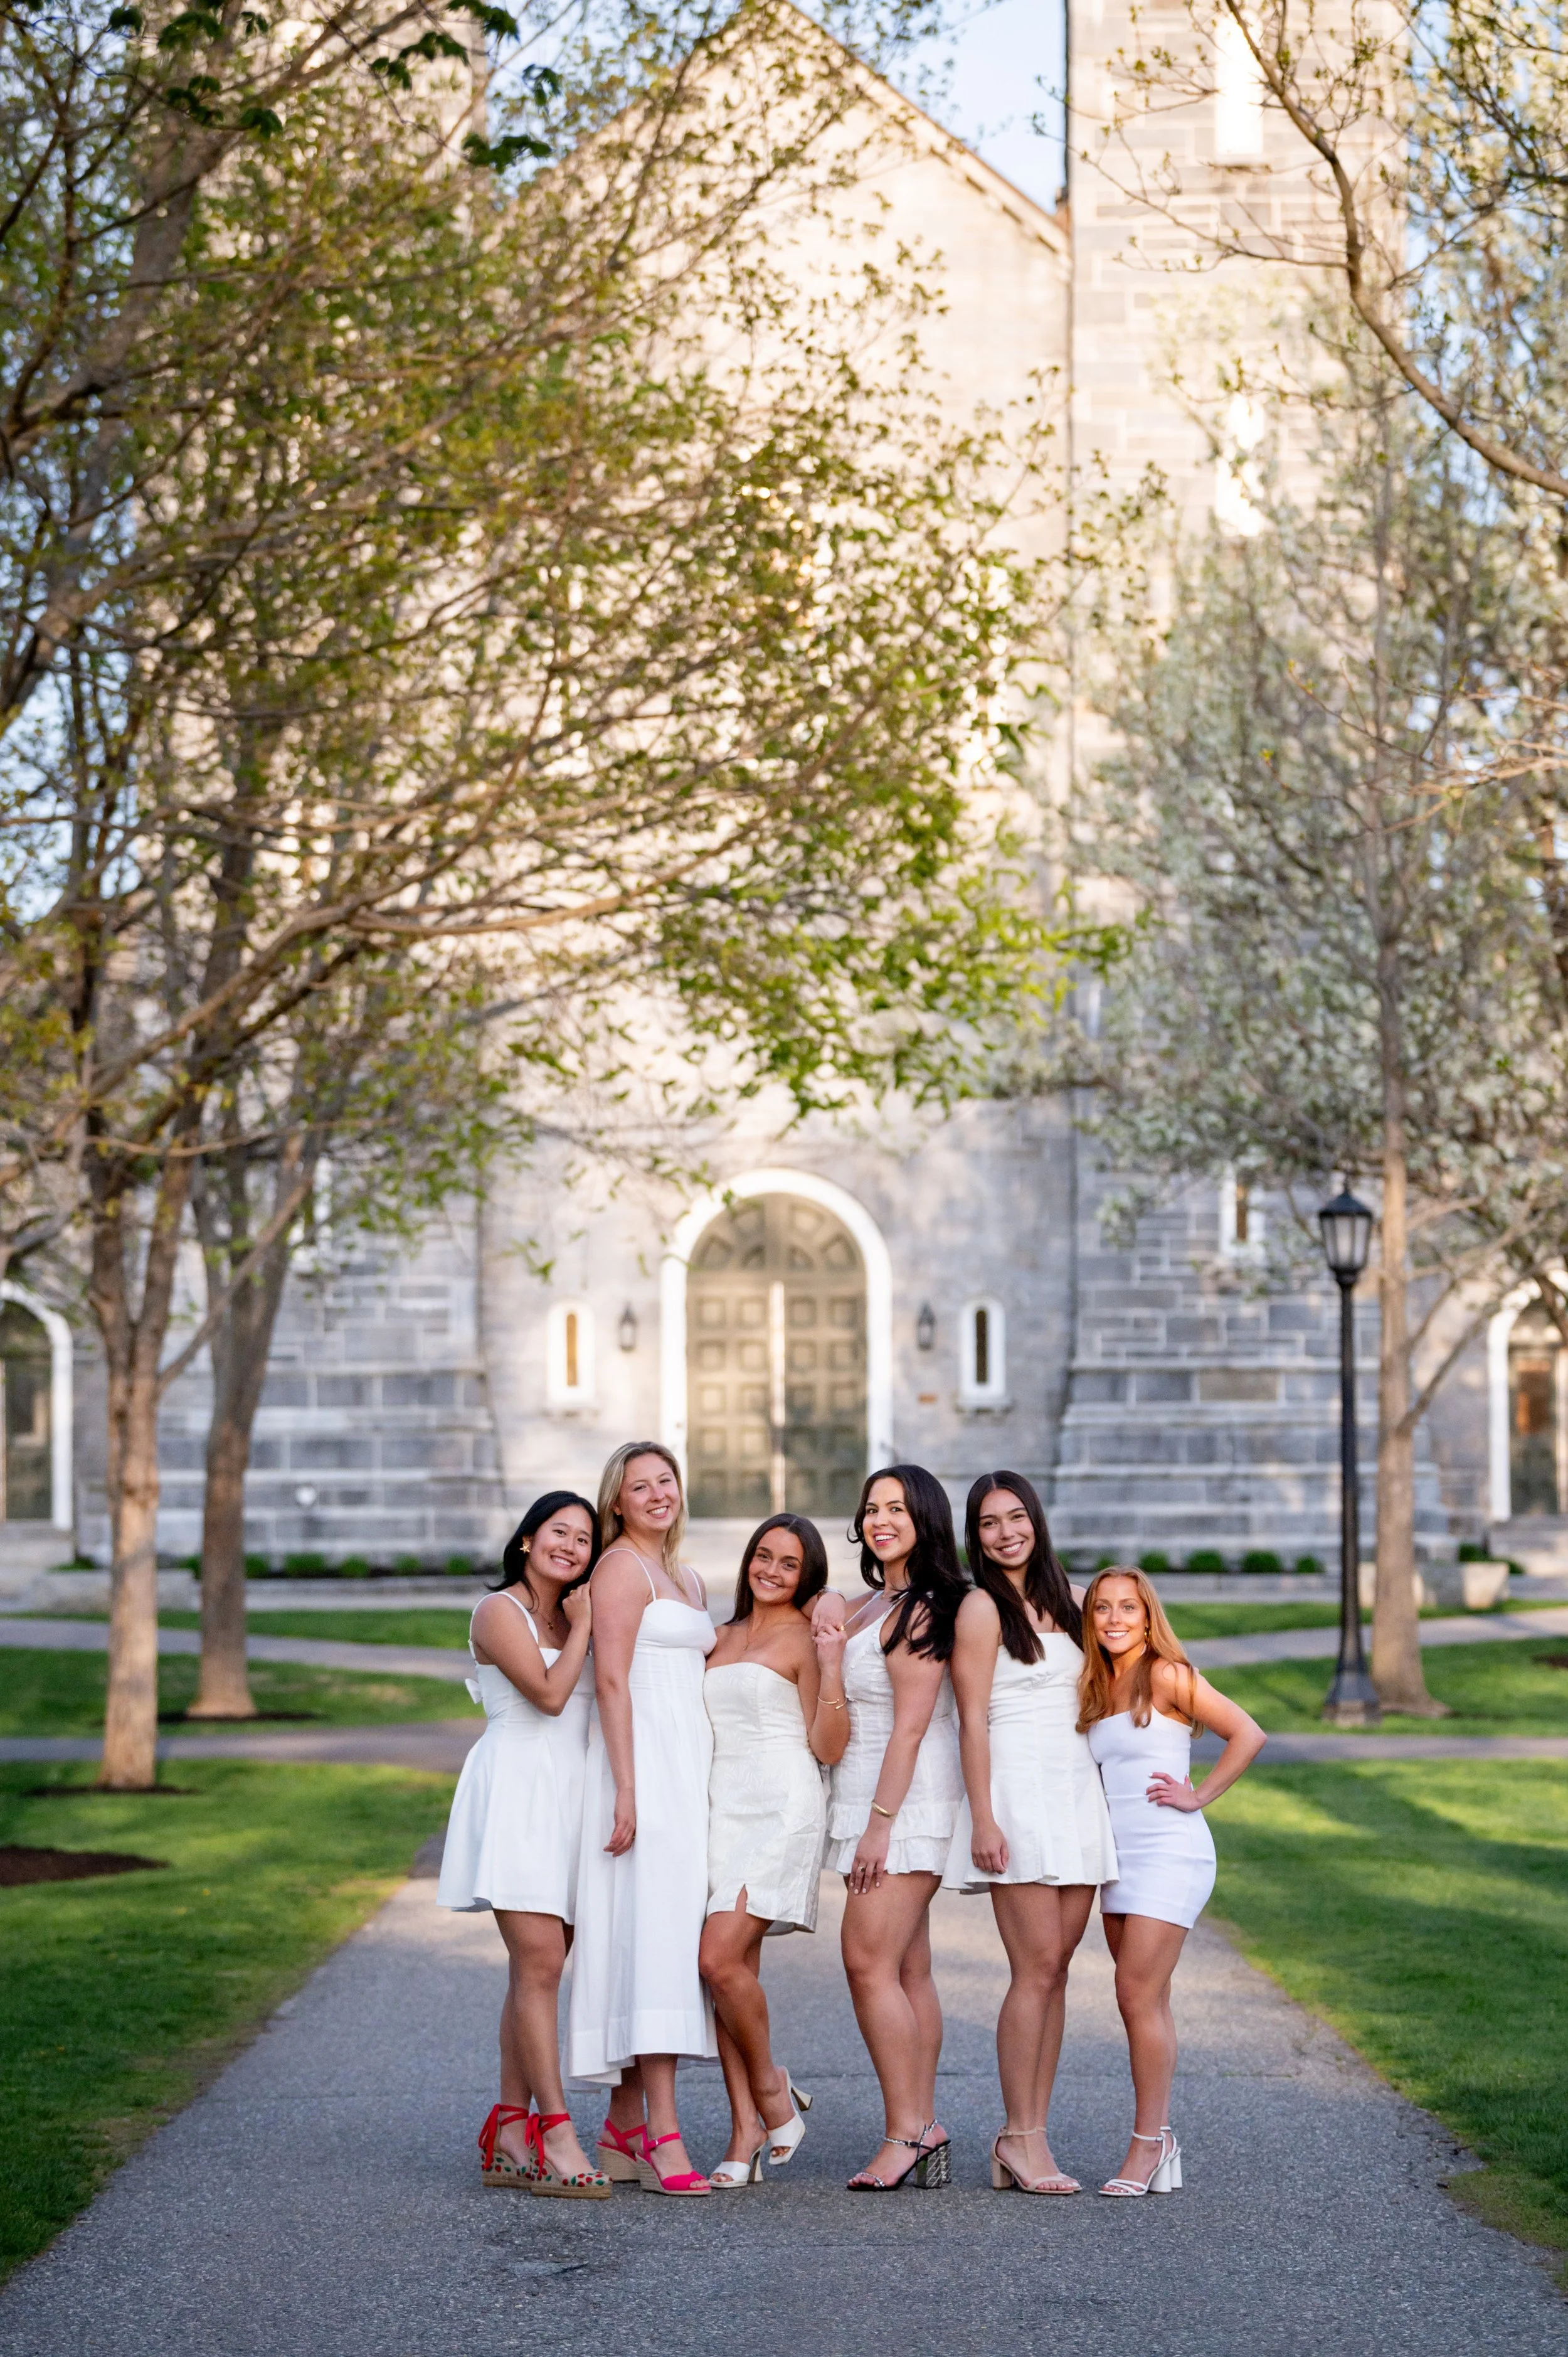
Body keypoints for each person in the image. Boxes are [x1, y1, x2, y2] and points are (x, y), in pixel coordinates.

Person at [946, 1472, 1118, 2196]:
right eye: (989, 1523)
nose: (1006, 1532)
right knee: (1035, 1965)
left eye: (1016, 1517)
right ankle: (1021, 2135)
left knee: (1058, 1970)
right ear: (975, 1536)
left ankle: (1027, 2132)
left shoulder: (1074, 1602)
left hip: (1076, 1793)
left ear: (1036, 1521)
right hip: (1015, 1796)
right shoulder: (981, 1608)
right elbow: (972, 1719)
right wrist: (983, 1816)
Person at [437, 1491, 610, 2196]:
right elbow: (547, 1695)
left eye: (584, 1538)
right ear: (526, 1541)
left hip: (572, 1795)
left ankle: (510, 2128)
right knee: (539, 1959)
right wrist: (586, 1625)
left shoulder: (565, 1612)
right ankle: (559, 2134)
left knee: (539, 1965)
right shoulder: (498, 1612)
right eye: (558, 1533)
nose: (571, 1546)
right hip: (517, 1792)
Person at [1078, 1565, 1266, 2198]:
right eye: (1102, 1607)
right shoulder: (1096, 1685)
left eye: (1127, 1607)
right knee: (1146, 1999)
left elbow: (1247, 1731)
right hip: (1118, 1860)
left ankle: (1147, 2144)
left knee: (1133, 1993)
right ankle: (1160, 2140)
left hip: (1170, 1851)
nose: (1113, 1619)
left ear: (1147, 1613)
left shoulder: (1166, 1674)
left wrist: (1200, 1794)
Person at [566, 1441, 718, 2195]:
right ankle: (662, 2131)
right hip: (643, 1774)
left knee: (667, 1939)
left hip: (687, 1779)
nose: (658, 1494)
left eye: (666, 1481)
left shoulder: (686, 1576)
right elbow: (612, 1680)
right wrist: (628, 1789)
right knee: (655, 1944)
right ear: (616, 1501)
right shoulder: (619, 1568)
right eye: (640, 1486)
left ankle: (622, 2130)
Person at [814, 1463, 966, 2191]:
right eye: (872, 1507)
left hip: (903, 1804)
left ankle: (906, 2130)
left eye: (897, 1509)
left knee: (865, 1962)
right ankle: (922, 2121)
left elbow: (910, 1729)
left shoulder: (927, 1607)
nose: (880, 1519)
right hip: (869, 1795)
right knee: (907, 1969)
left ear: (925, 1518)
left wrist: (879, 1828)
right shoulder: (874, 1602)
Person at [700, 1513, 848, 2188]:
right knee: (729, 1978)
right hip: (718, 1805)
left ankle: (771, 2092)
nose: (771, 1570)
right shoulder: (718, 1635)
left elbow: (826, 1746)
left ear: (806, 1574)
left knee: (718, 1958)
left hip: (781, 1802)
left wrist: (832, 1660)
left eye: (789, 1563)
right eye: (764, 1556)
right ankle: (744, 2132)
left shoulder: (806, 1636)